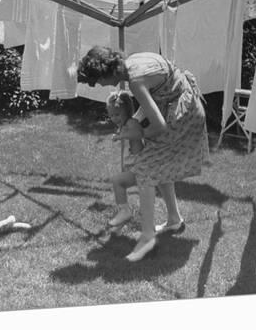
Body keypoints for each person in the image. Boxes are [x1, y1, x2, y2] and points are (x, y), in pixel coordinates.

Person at [77, 46, 209, 261]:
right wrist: (135, 123)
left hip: (183, 116)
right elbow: (157, 99)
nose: (99, 85)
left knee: (147, 167)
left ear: (106, 73)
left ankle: (147, 236)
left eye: (98, 80)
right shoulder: (134, 61)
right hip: (185, 109)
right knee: (158, 165)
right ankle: (174, 219)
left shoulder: (135, 81)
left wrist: (136, 134)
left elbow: (160, 126)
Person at [105, 90, 144, 232]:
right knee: (120, 186)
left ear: (127, 111)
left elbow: (139, 133)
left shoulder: (132, 123)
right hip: (131, 165)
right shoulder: (123, 126)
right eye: (111, 115)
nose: (114, 118)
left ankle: (125, 212)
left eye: (117, 114)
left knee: (117, 181)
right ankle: (121, 222)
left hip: (139, 166)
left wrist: (122, 136)